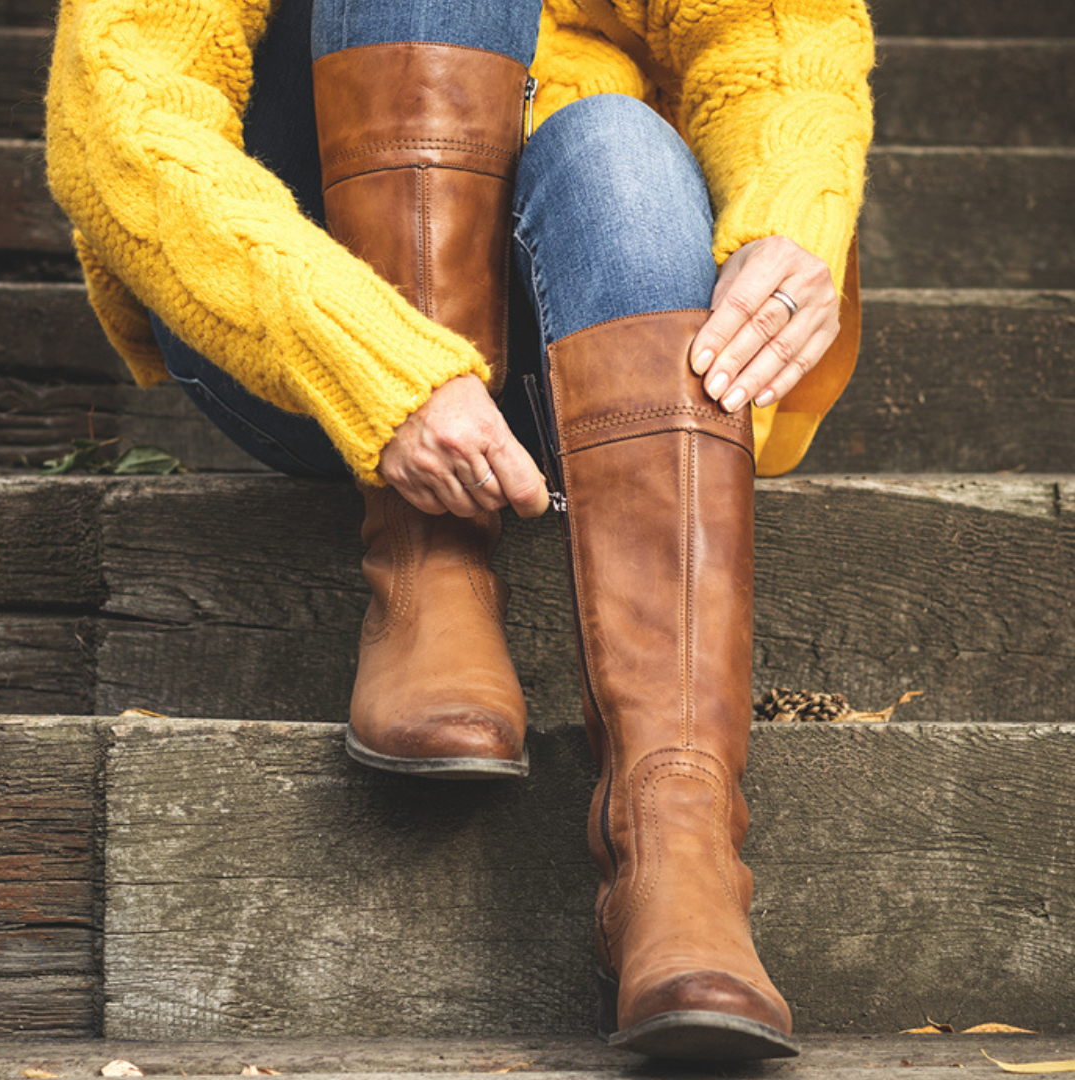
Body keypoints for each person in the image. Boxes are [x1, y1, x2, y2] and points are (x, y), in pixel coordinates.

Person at [45, 0, 874, 1062]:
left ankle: (679, 848)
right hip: (304, 312)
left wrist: (788, 216)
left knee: (626, 150)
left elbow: (775, 37)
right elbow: (120, 110)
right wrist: (371, 362)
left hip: (594, 318)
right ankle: (428, 566)